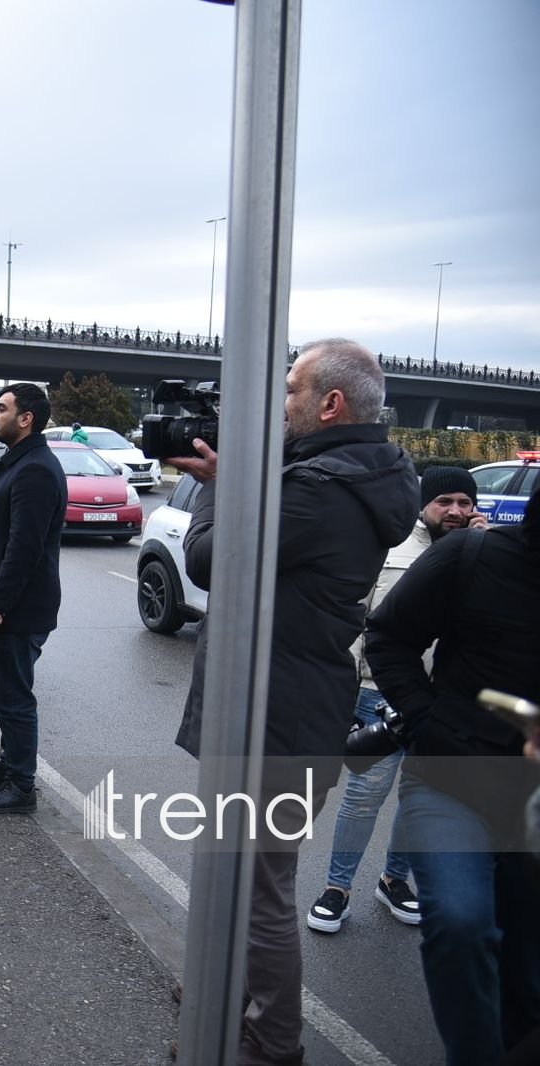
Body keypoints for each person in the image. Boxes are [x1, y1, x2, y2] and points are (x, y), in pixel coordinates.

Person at [169, 338, 418, 1065]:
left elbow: (212, 560)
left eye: (290, 392)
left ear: (330, 404)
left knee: (260, 889)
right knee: (238, 866)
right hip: (288, 700)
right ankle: (225, 988)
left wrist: (218, 490)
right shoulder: (351, 474)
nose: (281, 407)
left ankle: (271, 1040)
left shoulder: (319, 490)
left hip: (271, 713)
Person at [365, 484, 540, 1066]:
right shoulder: (470, 556)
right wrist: (425, 722)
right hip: (452, 780)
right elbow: (387, 636)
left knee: (527, 963)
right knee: (462, 924)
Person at [307, 466, 488, 935]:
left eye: (464, 503)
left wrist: (485, 551)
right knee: (364, 798)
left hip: (446, 703)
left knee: (418, 799)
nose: (455, 511)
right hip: (378, 694)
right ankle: (337, 888)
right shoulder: (389, 551)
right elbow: (354, 622)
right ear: (423, 506)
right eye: (444, 501)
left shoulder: (486, 555)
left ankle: (394, 880)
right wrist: (344, 692)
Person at [0, 382, 68, 814]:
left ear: (25, 418)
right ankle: (10, 764)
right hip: (7, 604)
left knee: (14, 695)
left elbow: (25, 547)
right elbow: (10, 526)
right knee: (3, 689)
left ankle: (21, 786)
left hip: (17, 609)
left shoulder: (36, 470)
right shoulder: (18, 463)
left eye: (2, 409)